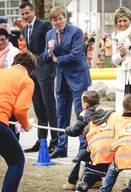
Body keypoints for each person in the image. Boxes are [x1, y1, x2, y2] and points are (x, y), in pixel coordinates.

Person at [44, 7, 92, 159]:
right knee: (61, 114)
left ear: (64, 18)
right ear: (51, 21)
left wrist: (57, 59)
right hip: (61, 79)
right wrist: (50, 51)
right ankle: (61, 147)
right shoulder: (49, 34)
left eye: (60, 18)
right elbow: (45, 59)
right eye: (55, 19)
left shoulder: (76, 31)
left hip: (78, 77)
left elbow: (76, 54)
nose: (58, 22)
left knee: (80, 113)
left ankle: (84, 148)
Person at [19, 1, 58, 154]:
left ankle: (55, 142)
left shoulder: (45, 25)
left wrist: (39, 61)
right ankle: (41, 141)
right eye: (22, 14)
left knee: (50, 108)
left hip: (46, 72)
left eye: (27, 13)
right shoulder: (24, 28)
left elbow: (48, 49)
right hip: (33, 73)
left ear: (33, 11)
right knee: (39, 109)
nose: (25, 16)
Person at [0, 51, 36, 192]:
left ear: (14, 62)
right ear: (30, 70)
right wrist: (26, 125)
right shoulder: (27, 80)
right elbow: (20, 110)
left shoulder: (2, 72)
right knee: (17, 161)